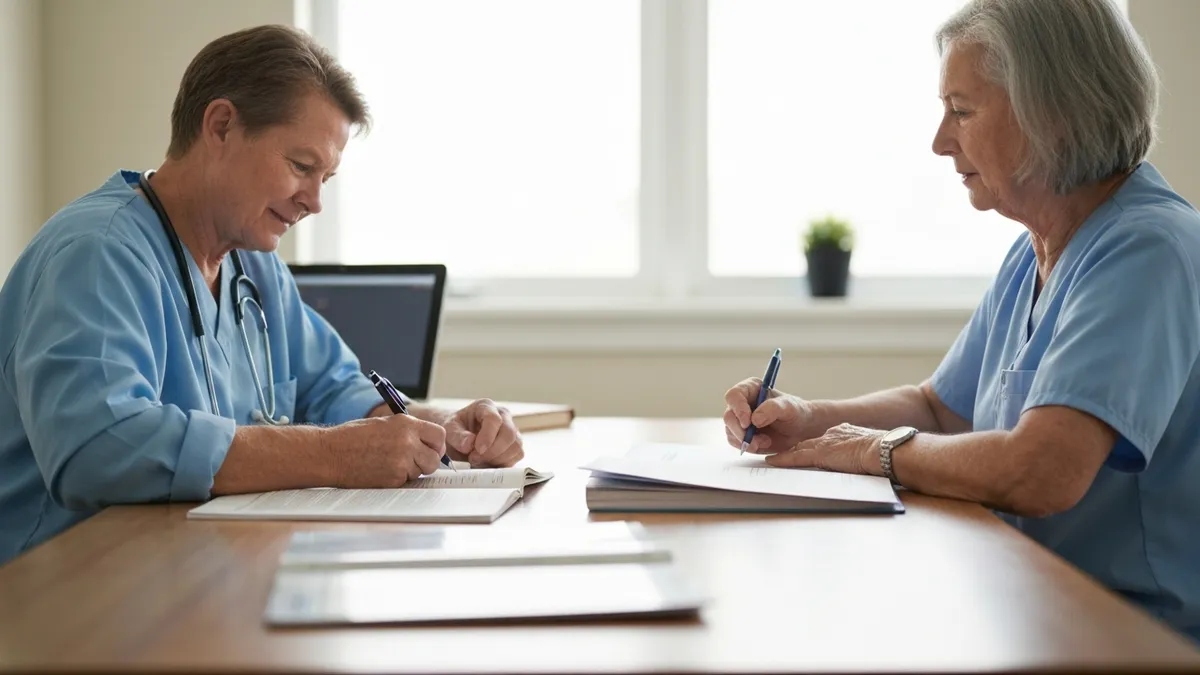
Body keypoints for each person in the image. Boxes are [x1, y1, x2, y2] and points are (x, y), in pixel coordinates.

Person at [724, 0, 1200, 643]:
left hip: (1134, 636)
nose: (940, 141)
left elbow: (1043, 471)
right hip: (1034, 605)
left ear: (1052, 112)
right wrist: (811, 420)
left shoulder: (1148, 249)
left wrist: (873, 452)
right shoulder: (1037, 246)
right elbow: (942, 409)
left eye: (962, 111)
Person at [0, 25, 523, 565]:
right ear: (221, 125)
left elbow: (335, 392)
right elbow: (97, 448)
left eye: (327, 177)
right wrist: (333, 454)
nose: (314, 201)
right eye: (301, 167)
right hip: (57, 591)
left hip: (187, 570)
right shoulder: (97, 253)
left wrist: (440, 429)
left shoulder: (255, 267)